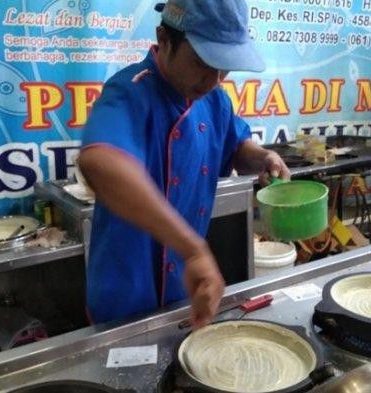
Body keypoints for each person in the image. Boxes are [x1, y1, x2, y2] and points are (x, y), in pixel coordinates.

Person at [77, 0, 290, 329]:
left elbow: (236, 147)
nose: (213, 79)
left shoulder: (215, 99)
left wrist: (263, 157)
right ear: (164, 39)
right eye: (203, 62)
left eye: (224, 67)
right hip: (126, 293)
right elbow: (100, 163)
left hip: (183, 290)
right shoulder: (129, 91)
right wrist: (193, 250)